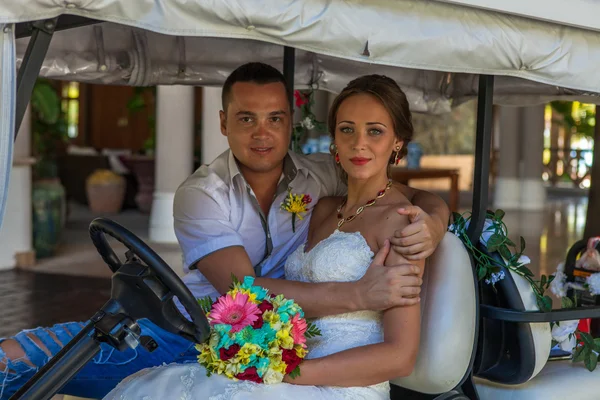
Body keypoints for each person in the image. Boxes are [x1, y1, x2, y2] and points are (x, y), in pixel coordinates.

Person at [0, 63, 448, 399]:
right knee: (17, 355)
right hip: (195, 329)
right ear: (222, 123)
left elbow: (400, 194)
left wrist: (434, 217)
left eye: (275, 118)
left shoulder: (331, 187)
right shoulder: (206, 193)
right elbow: (244, 290)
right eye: (245, 118)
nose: (262, 134)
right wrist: (358, 297)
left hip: (280, 360)